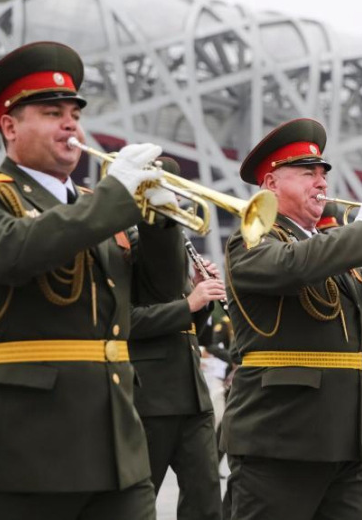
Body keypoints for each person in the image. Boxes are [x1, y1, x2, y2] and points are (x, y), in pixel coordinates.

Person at [0, 41, 184, 520]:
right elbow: (13, 252)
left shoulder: (97, 206)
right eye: (52, 112)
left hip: (116, 444)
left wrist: (161, 223)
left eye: (73, 113)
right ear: (10, 126)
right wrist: (117, 197)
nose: (70, 123)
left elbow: (161, 290)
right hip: (24, 449)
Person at [220, 118, 362, 520]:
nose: (321, 182)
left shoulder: (327, 249)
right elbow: (291, 267)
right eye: (307, 173)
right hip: (282, 439)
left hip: (346, 440)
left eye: (323, 173)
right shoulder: (253, 240)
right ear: (271, 184)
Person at [129, 176, 227, 520]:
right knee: (137, 503)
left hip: (192, 397)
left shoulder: (175, 256)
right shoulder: (129, 247)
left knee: (206, 501)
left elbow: (189, 333)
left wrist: (199, 303)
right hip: (149, 397)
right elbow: (124, 322)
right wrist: (189, 304)